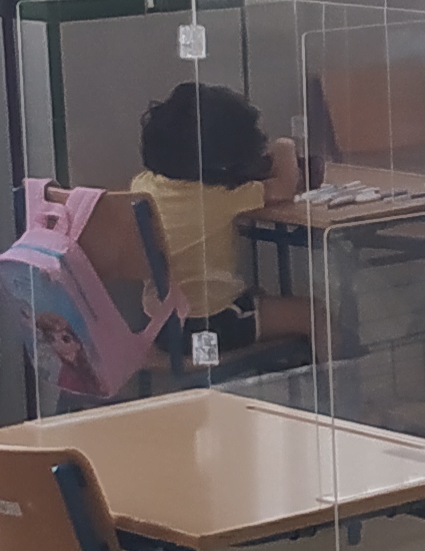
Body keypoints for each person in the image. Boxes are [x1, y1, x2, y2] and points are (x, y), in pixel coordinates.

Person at [131, 84, 318, 360]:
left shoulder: (143, 185)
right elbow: (285, 187)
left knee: (257, 297)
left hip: (162, 327)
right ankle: (341, 381)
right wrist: (284, 146)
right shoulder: (222, 195)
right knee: (314, 314)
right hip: (209, 330)